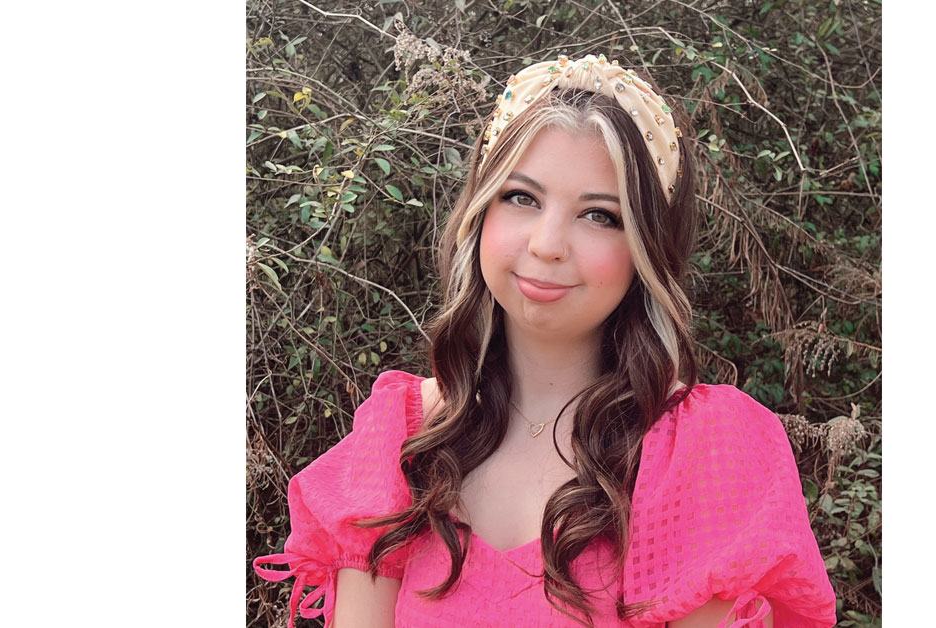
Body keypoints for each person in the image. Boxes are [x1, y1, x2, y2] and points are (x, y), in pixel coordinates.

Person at [254, 53, 836, 628]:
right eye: (522, 198)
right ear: (481, 212)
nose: (548, 244)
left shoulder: (700, 448)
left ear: (645, 249)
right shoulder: (400, 435)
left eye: (600, 215)